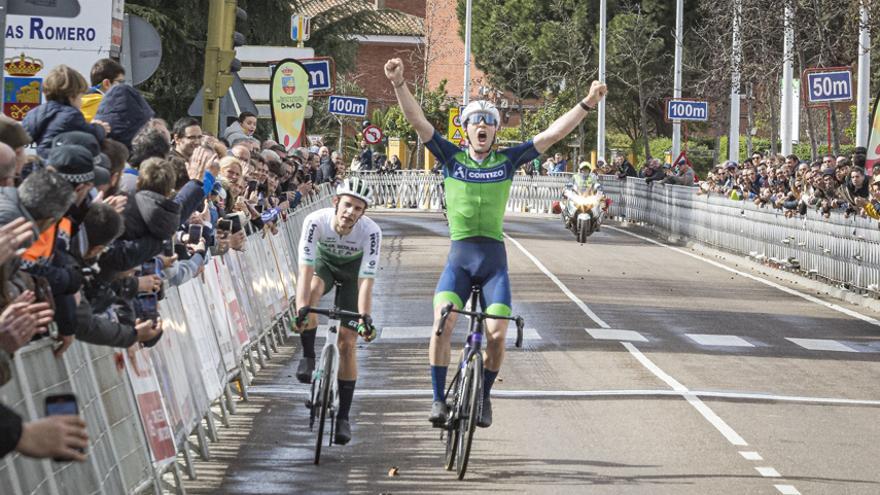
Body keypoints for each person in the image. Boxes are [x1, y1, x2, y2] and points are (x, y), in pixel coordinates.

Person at [385, 57, 607, 428]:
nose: (483, 126)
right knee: (442, 322)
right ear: (465, 129)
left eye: (489, 121)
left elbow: (552, 134)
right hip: (460, 258)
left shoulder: (506, 161)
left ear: (495, 130)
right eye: (476, 121)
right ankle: (438, 400)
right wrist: (397, 84)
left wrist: (587, 102)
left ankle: (484, 397)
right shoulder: (451, 157)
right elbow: (417, 121)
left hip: (493, 262)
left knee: (498, 334)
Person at [293, 177, 381, 446]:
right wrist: (301, 309)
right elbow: (305, 272)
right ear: (336, 203)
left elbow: (366, 281)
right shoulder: (315, 221)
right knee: (314, 292)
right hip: (325, 265)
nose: (350, 212)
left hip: (354, 274)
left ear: (363, 212)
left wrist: (365, 317)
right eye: (347, 205)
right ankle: (308, 356)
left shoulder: (371, 232)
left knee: (347, 344)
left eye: (357, 208)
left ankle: (343, 417)